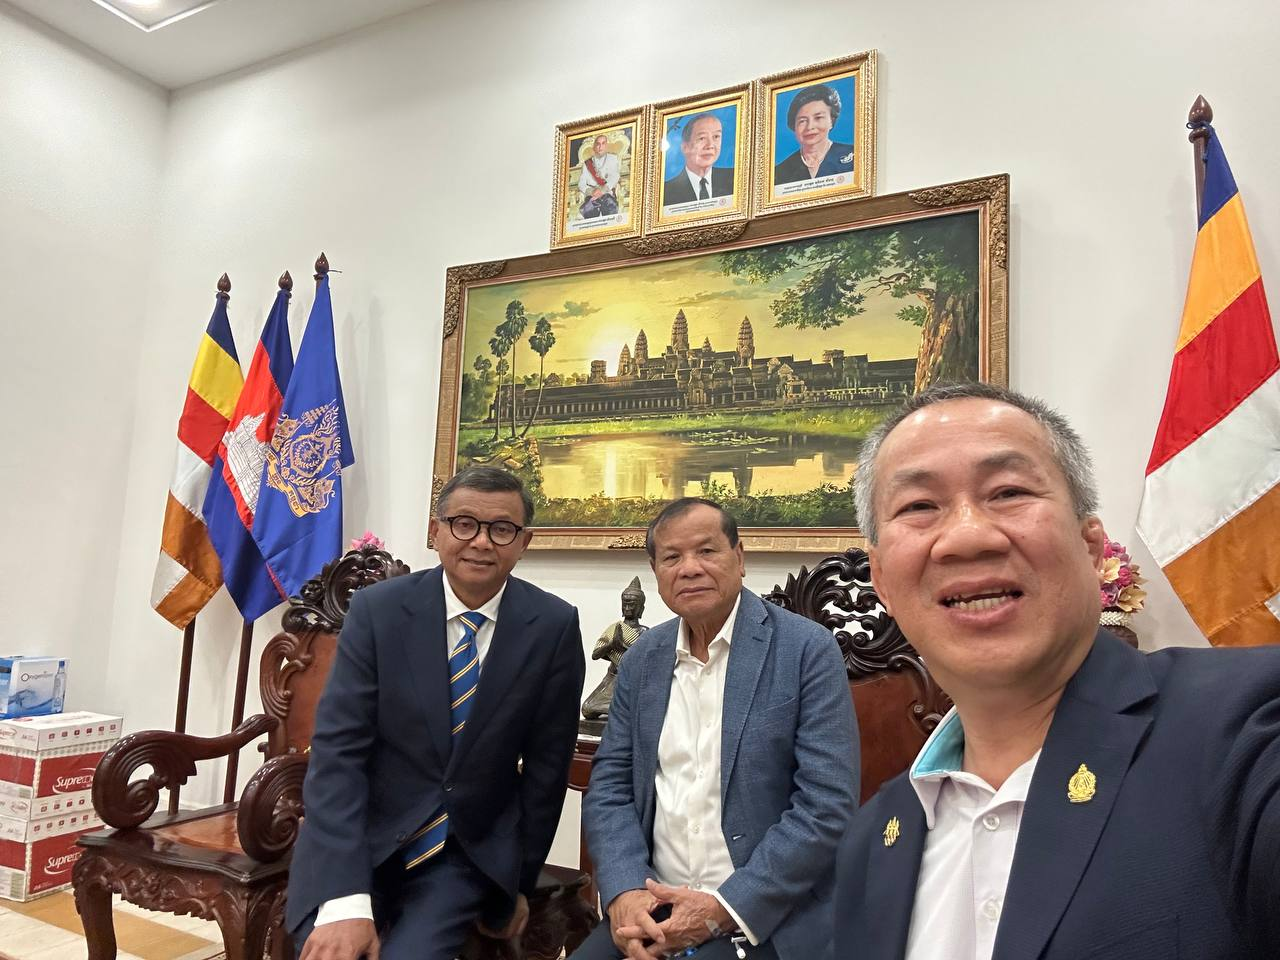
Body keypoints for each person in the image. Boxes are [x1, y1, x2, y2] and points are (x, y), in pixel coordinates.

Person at [834, 382, 1280, 960]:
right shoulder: (872, 841)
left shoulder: (1250, 728)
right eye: (919, 506)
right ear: (882, 583)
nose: (967, 536)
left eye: (1008, 492)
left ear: (1092, 548)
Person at [287, 466, 586, 960]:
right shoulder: (379, 610)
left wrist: (518, 882)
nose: (481, 542)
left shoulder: (552, 625)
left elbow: (547, 770)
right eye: (464, 523)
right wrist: (345, 900)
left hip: (463, 854)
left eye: (502, 529)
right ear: (436, 530)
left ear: (523, 542)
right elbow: (339, 753)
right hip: (360, 838)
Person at [573, 498, 858, 960]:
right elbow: (609, 789)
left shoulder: (806, 649)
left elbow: (826, 805)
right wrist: (626, 890)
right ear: (656, 572)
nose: (690, 568)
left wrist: (724, 908)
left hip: (760, 914)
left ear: (739, 558)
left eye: (706, 551)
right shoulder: (642, 659)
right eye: (672, 557)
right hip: (653, 904)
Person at [581, 576, 649, 721]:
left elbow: (645, 660)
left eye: (632, 605)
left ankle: (623, 707)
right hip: (612, 679)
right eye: (625, 604)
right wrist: (612, 645)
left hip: (632, 680)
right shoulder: (615, 628)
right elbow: (595, 655)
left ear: (641, 608)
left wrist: (624, 646)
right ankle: (622, 708)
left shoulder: (645, 633)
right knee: (587, 709)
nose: (628, 608)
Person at [772, 84, 853, 188]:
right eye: (802, 121)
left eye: (818, 118)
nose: (810, 127)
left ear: (831, 121)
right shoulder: (779, 173)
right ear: (794, 126)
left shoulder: (854, 156)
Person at [662, 113, 735, 206]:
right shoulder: (665, 192)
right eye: (702, 138)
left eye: (716, 137)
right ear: (685, 147)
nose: (710, 145)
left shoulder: (734, 178)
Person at [578, 134, 621, 219]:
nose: (600, 147)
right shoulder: (587, 164)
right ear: (594, 147)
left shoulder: (613, 158)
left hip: (606, 193)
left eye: (603, 143)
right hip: (592, 196)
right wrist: (592, 192)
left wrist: (602, 190)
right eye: (598, 144)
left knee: (610, 206)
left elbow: (615, 176)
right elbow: (581, 183)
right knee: (588, 210)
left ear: (606, 145)